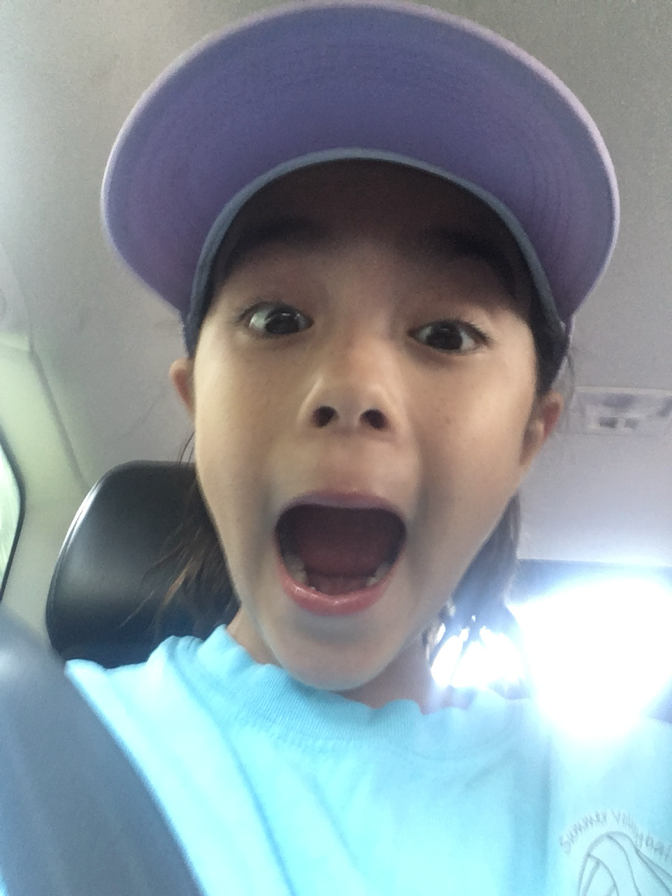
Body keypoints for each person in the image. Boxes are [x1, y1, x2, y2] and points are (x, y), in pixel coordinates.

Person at [60, 2, 672, 893]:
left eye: (445, 334)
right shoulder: (51, 752)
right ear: (199, 401)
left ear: (526, 439)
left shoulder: (638, 795)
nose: (351, 385)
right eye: (278, 319)